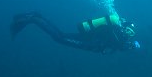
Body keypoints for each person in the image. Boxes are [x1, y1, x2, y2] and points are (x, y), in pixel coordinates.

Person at [10, 12, 140, 53]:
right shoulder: (117, 33)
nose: (128, 33)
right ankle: (34, 20)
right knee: (59, 37)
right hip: (86, 42)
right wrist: (131, 45)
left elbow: (116, 45)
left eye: (131, 33)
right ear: (124, 27)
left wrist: (129, 44)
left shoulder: (118, 33)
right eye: (128, 30)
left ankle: (38, 17)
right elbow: (117, 45)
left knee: (61, 35)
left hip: (86, 39)